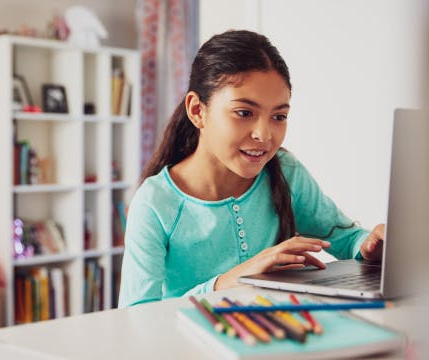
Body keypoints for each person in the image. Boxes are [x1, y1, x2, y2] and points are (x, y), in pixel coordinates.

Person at [118, 30, 384, 307]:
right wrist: (231, 280)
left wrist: (368, 245)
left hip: (274, 340)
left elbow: (345, 237)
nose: (264, 134)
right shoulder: (155, 203)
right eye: (244, 113)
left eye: (279, 116)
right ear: (198, 110)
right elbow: (136, 317)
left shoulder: (285, 172)